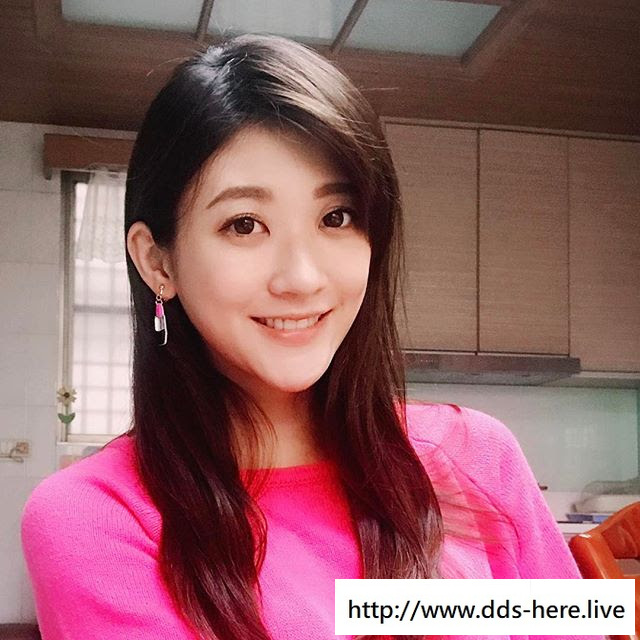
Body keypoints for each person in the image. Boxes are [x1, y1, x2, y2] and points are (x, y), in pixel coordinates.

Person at [21, 34, 599, 640]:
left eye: (336, 218)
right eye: (245, 224)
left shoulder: (476, 456)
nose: (301, 278)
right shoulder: (96, 516)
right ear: (157, 261)